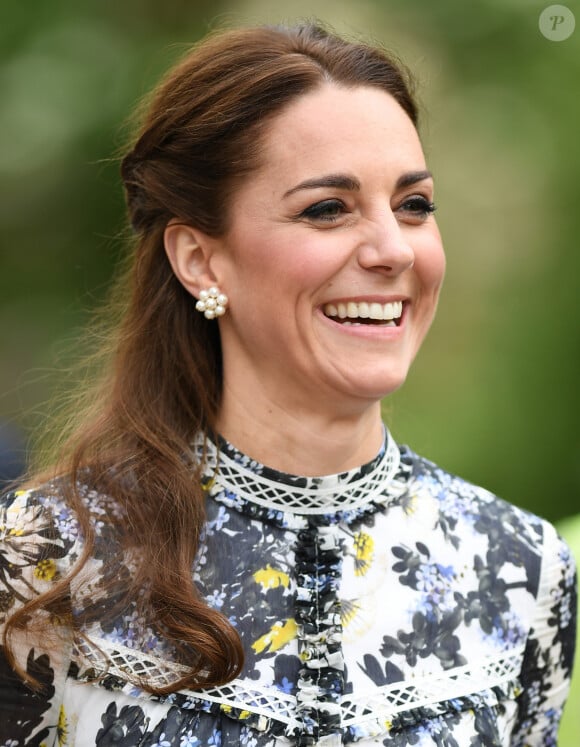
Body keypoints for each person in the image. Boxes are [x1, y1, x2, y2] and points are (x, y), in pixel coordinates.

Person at [0, 22, 576, 747]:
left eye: (415, 204)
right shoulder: (46, 554)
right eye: (327, 208)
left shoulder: (521, 566)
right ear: (200, 259)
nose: (393, 249)